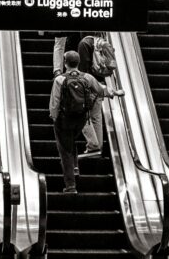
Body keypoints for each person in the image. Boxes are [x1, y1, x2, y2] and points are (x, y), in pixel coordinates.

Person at [48, 51, 124, 193]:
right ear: (77, 62)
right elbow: (100, 90)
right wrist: (114, 92)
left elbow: (55, 102)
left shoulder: (60, 79)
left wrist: (54, 117)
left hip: (65, 121)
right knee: (71, 140)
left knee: (65, 151)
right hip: (81, 120)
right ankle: (75, 168)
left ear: (65, 63)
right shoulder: (87, 77)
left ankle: (70, 186)